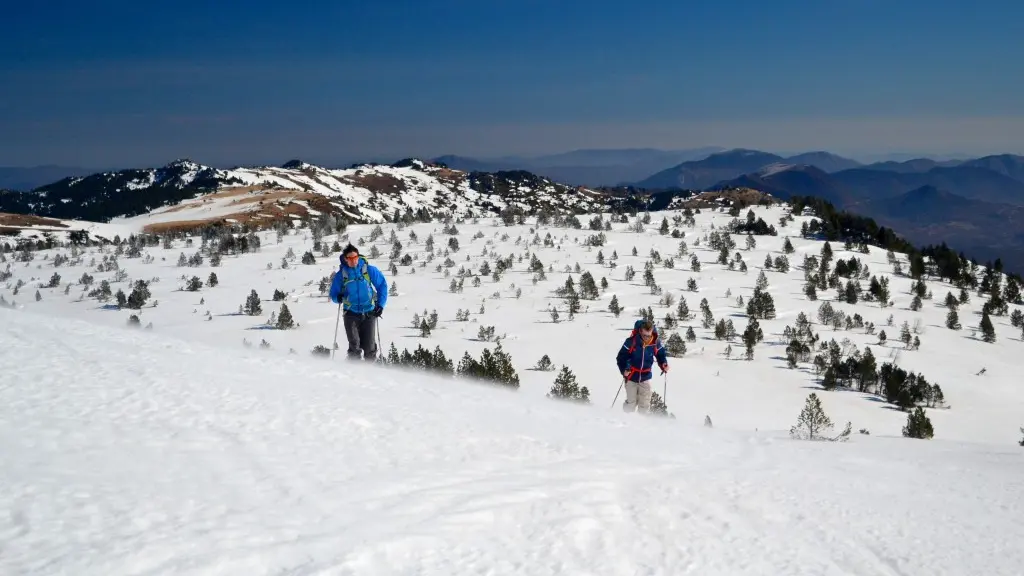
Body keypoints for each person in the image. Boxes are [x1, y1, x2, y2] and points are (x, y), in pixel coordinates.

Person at [329, 244, 388, 360]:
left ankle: (370, 374)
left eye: (355, 257)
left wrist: (380, 305)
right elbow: (333, 294)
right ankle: (354, 373)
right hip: (350, 313)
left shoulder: (368, 270)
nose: (353, 261)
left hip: (369, 312)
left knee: (369, 347)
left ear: (358, 256)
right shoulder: (342, 275)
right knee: (354, 346)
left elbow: (382, 285)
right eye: (350, 258)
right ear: (345, 259)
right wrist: (338, 297)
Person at [615, 319, 669, 413]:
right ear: (640, 331)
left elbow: (660, 354)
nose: (647, 338)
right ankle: (624, 422)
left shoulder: (655, 342)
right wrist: (624, 369)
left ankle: (642, 425)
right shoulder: (631, 342)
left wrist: (663, 363)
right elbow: (621, 357)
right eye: (644, 335)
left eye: (649, 335)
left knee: (644, 405)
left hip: (645, 377)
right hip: (631, 376)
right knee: (631, 403)